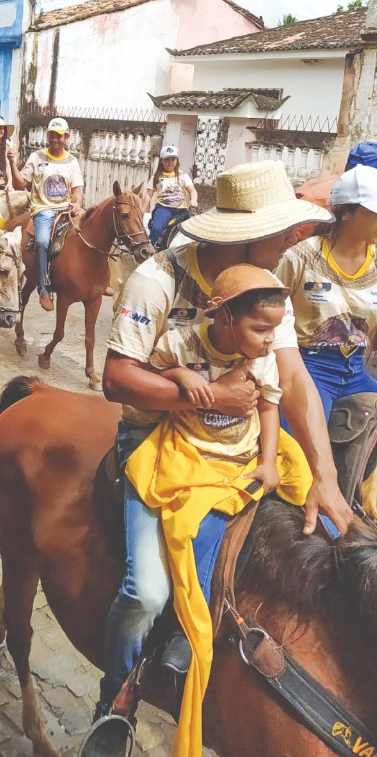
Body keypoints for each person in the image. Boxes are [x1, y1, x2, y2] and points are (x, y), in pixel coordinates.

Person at [97, 160, 352, 724]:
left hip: (237, 438)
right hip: (157, 435)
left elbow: (292, 379)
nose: (292, 240)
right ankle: (115, 696)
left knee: (330, 531)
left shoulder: (267, 287)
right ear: (245, 237)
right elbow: (116, 379)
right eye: (280, 232)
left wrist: (328, 477)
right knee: (147, 593)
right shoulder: (156, 280)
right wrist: (209, 395)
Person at [120, 266, 311, 757]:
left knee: (313, 515)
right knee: (194, 532)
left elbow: (269, 407)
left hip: (241, 460)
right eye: (261, 329)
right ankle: (177, 636)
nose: (270, 341)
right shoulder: (181, 343)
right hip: (191, 456)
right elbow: (147, 373)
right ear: (223, 318)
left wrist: (268, 460)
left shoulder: (263, 359)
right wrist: (178, 376)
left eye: (274, 330)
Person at [276, 164, 377, 424]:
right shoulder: (299, 257)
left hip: (356, 368)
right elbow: (268, 316)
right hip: (308, 366)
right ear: (346, 211)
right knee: (302, 444)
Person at [9, 116, 84, 312]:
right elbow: (20, 184)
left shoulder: (72, 161)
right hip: (44, 209)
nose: (55, 139)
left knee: (93, 228)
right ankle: (43, 288)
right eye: (51, 135)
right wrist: (12, 162)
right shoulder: (37, 157)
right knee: (42, 241)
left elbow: (77, 190)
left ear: (66, 137)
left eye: (59, 136)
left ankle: (97, 279)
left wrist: (77, 204)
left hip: (67, 208)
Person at [144, 145, 198, 249]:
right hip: (164, 209)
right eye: (167, 160)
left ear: (177, 161)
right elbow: (148, 195)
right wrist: (141, 210)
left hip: (182, 210)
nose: (170, 163)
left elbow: (192, 190)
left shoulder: (183, 176)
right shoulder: (157, 177)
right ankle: (149, 250)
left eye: (173, 159)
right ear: (161, 161)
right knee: (156, 229)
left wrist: (194, 200)